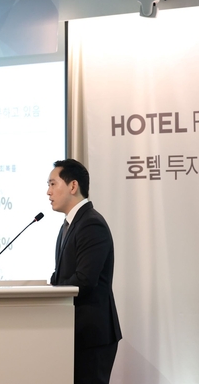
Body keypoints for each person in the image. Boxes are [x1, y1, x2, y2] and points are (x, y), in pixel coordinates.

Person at [47, 158, 122, 384]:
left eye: (52, 184)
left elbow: (84, 280)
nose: (48, 192)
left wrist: (53, 290)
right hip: (74, 331)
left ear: (73, 186)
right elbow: (61, 275)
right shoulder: (68, 225)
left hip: (92, 335)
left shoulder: (91, 223)